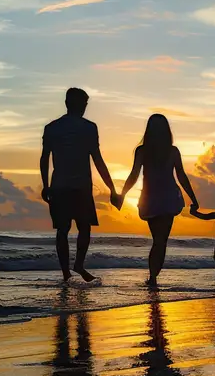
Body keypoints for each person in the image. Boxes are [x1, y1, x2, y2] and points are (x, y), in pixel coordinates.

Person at [41, 87, 117, 283]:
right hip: (80, 188)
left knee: (63, 230)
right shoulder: (89, 128)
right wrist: (112, 188)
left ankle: (67, 271)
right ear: (77, 104)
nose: (84, 107)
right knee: (83, 228)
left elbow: (44, 159)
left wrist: (45, 185)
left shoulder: (52, 128)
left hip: (59, 187)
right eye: (84, 104)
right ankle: (77, 265)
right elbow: (98, 160)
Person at [116, 114, 200, 289]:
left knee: (158, 240)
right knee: (161, 241)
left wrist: (123, 194)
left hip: (151, 197)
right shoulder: (172, 151)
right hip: (167, 197)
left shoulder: (143, 151)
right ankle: (153, 276)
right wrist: (193, 199)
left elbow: (134, 175)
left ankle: (153, 277)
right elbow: (182, 176)